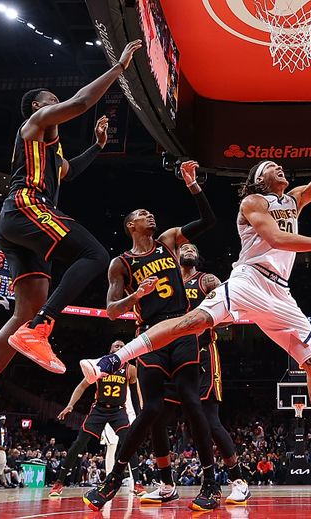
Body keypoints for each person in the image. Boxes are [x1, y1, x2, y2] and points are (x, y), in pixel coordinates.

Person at [80, 121, 311, 482]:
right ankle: (111, 360)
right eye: (270, 166)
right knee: (191, 322)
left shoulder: (294, 200)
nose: (279, 167)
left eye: (280, 167)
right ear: (259, 179)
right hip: (250, 279)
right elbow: (275, 238)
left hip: (281, 292)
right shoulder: (253, 201)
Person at [0, 39, 143, 449]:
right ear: (38, 108)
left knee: (22, 315)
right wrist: (119, 67)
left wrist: (98, 148)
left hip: (22, 224)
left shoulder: (50, 151)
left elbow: (67, 171)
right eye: (50, 100)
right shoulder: (34, 126)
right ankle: (44, 327)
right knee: (95, 255)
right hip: (26, 206)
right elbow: (83, 101)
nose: (57, 105)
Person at [83, 160, 220, 512]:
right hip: (149, 336)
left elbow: (208, 221)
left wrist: (193, 186)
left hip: (182, 327)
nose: (151, 217)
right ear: (131, 225)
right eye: (143, 214)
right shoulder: (121, 263)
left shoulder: (169, 241)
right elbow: (113, 310)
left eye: (150, 213)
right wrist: (136, 296)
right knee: (151, 410)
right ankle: (114, 480)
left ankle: (210, 482)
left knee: (192, 402)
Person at [140, 243, 250, 506]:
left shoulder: (206, 280)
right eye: (182, 247)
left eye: (192, 247)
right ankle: (167, 484)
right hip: (169, 355)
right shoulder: (166, 284)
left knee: (209, 419)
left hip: (201, 354)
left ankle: (238, 481)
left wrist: (203, 322)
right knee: (156, 417)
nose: (188, 248)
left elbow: (231, 311)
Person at [48, 340, 144, 498]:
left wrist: (140, 414)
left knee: (129, 443)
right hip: (99, 409)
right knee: (79, 443)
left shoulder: (130, 369)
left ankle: (138, 483)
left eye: (122, 346)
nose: (119, 347)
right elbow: (82, 386)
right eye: (116, 346)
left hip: (118, 411)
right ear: (110, 349)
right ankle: (59, 482)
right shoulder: (100, 365)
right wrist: (70, 405)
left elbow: (134, 394)